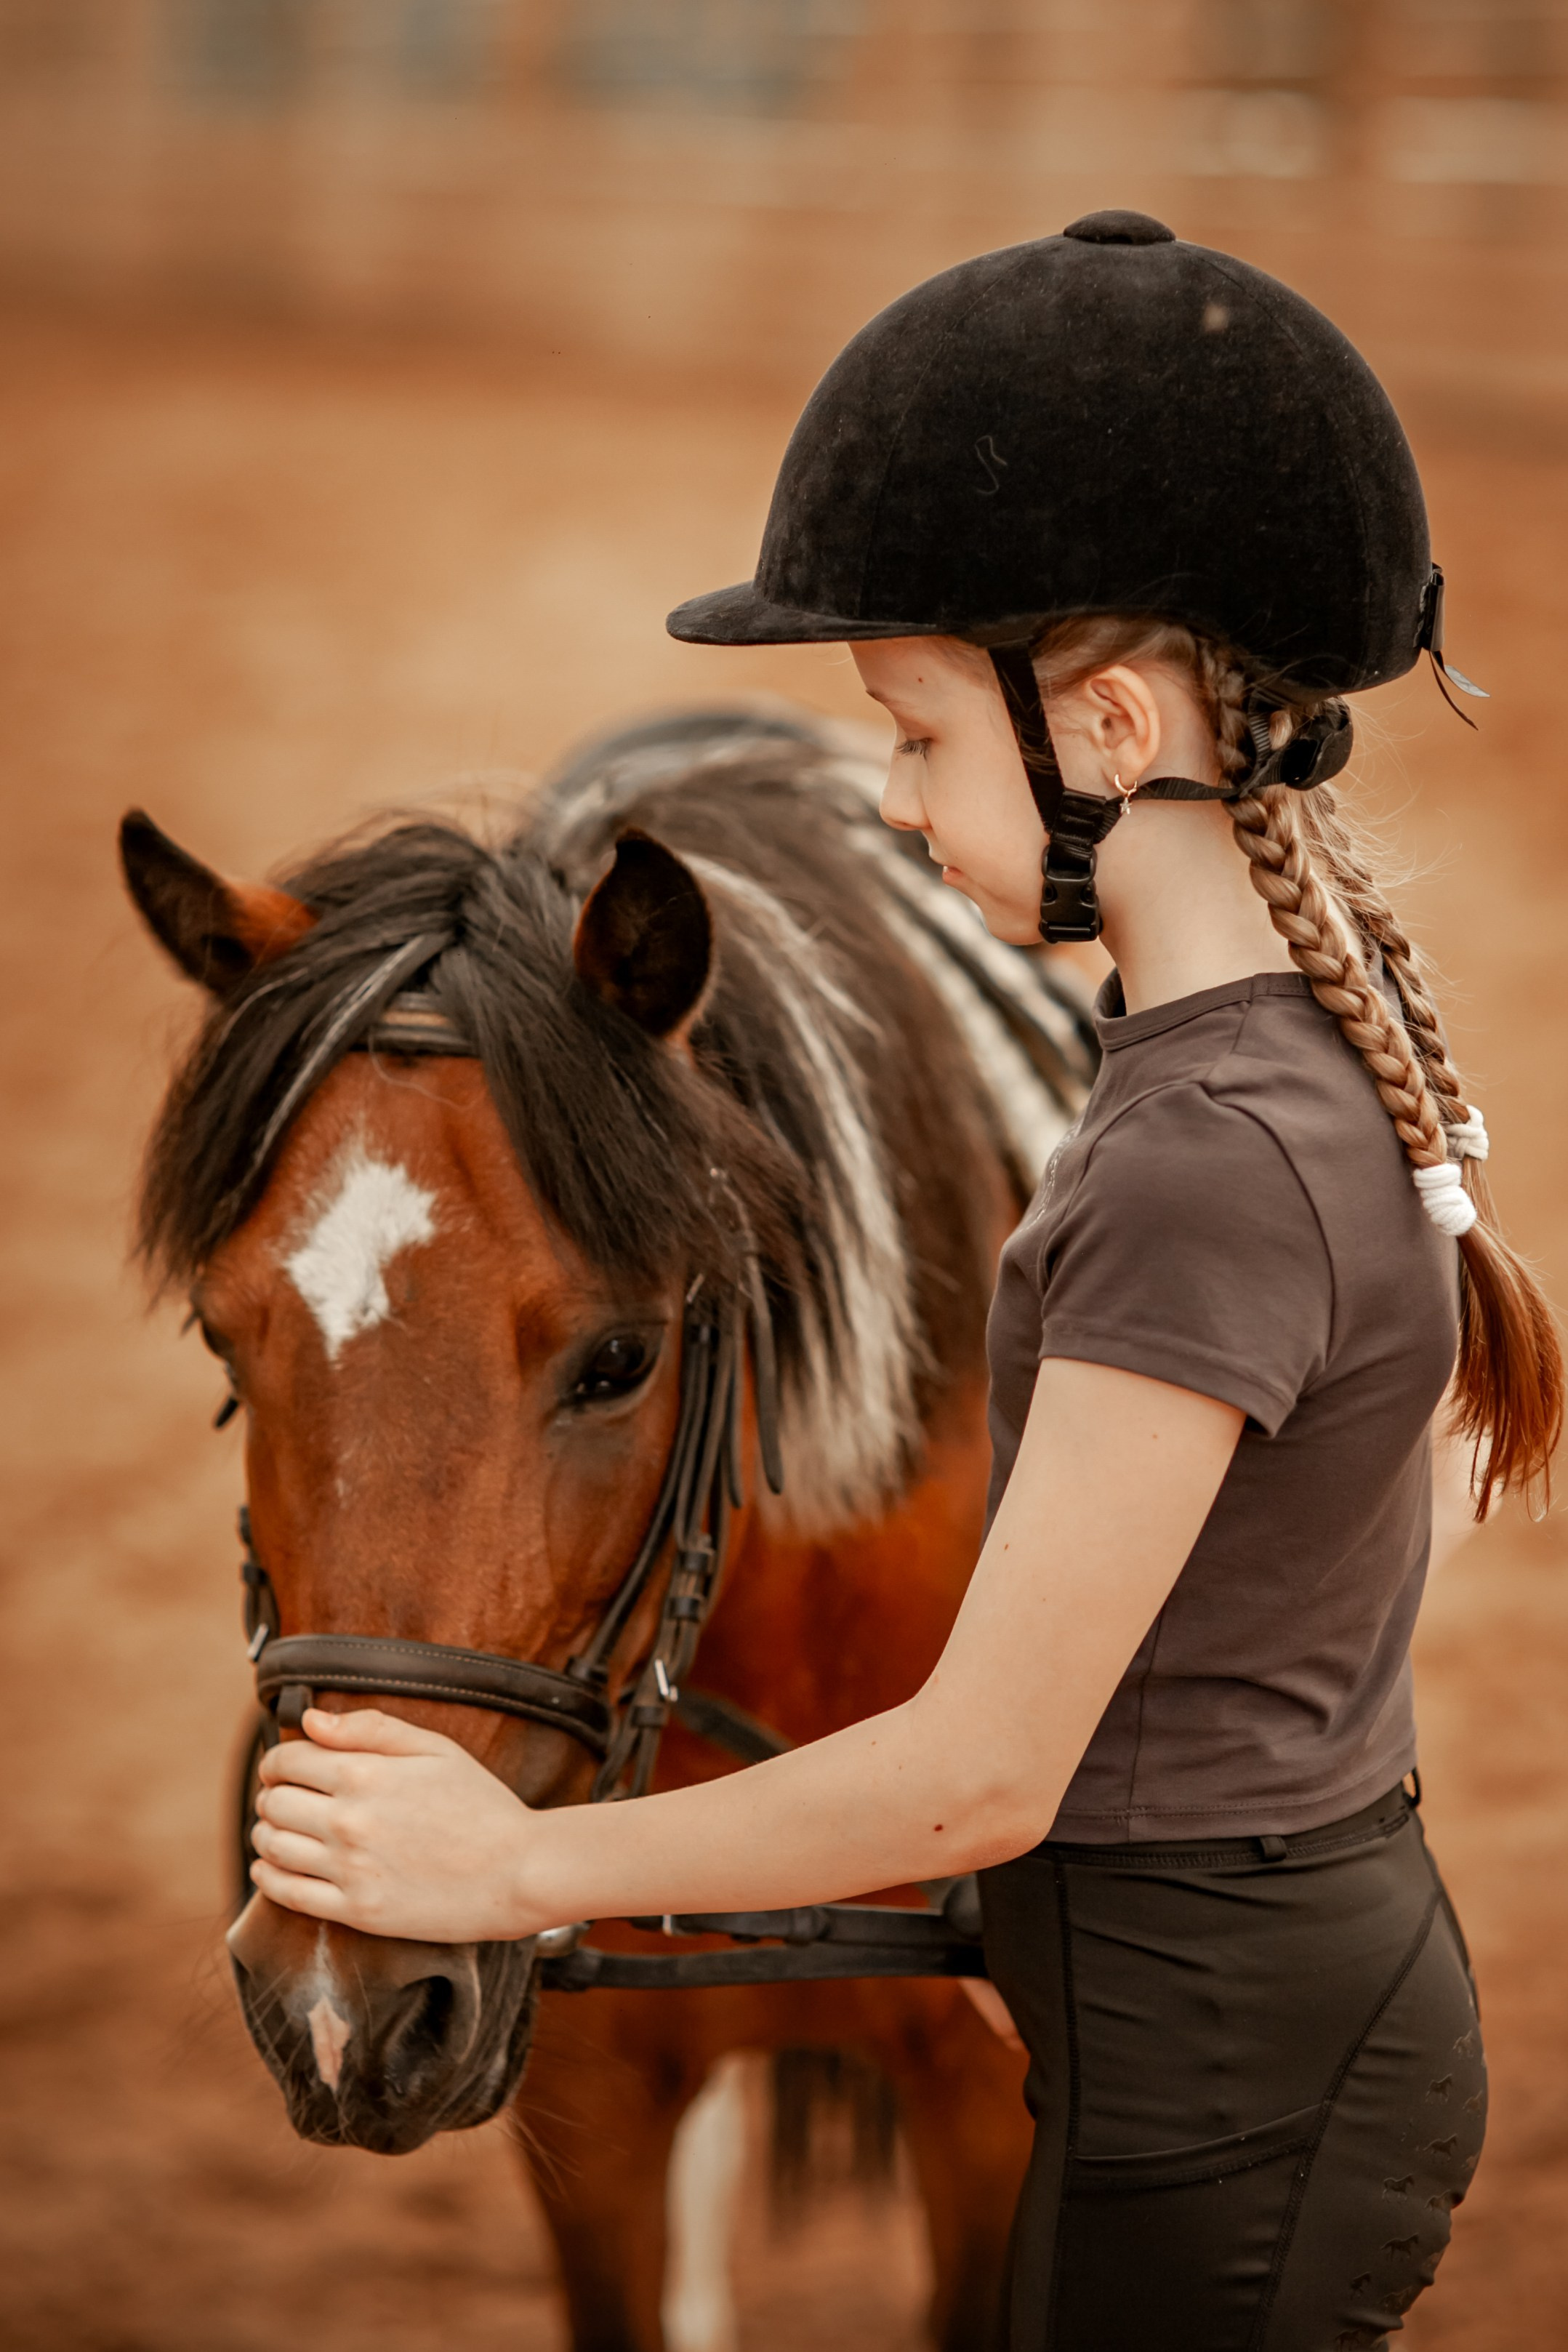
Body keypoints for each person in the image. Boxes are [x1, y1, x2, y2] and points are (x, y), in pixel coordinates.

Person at [250, 213, 1562, 2345]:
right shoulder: (1251, 1070)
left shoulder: (1194, 1166)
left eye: (918, 735)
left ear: (1109, 729)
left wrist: (510, 1868)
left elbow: (981, 1775)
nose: (885, 795)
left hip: (1214, 2100)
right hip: (1217, 2039)